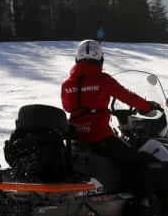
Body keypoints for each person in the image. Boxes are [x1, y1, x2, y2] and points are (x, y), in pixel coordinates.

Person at [61, 40, 159, 173]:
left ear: (77, 58)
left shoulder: (67, 84)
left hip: (76, 137)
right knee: (138, 161)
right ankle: (147, 194)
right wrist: (148, 106)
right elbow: (127, 96)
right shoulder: (102, 79)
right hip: (100, 136)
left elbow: (67, 107)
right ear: (100, 59)